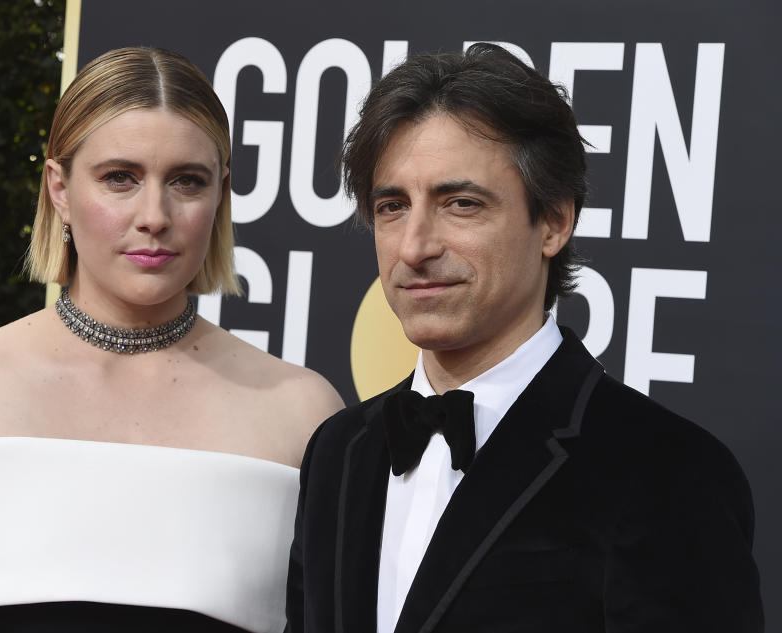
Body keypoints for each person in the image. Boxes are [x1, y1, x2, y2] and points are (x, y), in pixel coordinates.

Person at [0, 46, 343, 633]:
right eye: (120, 178)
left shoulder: (300, 412)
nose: (155, 214)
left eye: (187, 181)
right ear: (58, 188)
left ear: (221, 193)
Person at [285, 43, 763, 633]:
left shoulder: (667, 472)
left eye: (460, 204)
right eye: (392, 206)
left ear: (555, 221)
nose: (414, 247)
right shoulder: (338, 452)